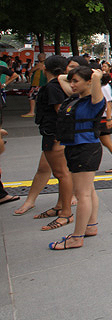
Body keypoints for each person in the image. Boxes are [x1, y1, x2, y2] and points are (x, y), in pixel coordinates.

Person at [13, 55, 75, 228]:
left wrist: (58, 136)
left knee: (61, 174)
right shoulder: (59, 85)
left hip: (54, 135)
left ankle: (65, 212)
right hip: (54, 134)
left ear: (44, 68)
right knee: (58, 172)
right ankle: (60, 206)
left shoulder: (53, 87)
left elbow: (61, 111)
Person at [49, 67, 105, 250]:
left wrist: (95, 76)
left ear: (89, 82)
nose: (72, 84)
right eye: (71, 81)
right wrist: (78, 75)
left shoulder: (95, 101)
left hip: (85, 149)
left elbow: (95, 81)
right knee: (89, 190)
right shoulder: (77, 98)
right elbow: (60, 78)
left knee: (83, 194)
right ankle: (90, 226)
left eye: (76, 81)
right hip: (76, 147)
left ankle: (76, 237)